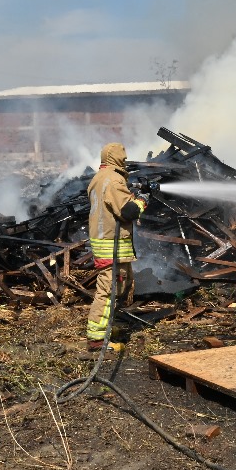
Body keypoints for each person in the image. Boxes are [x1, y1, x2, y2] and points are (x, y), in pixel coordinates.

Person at [85, 141, 146, 351]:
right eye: (124, 158)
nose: (125, 162)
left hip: (111, 244)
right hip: (111, 244)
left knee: (121, 287)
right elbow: (127, 212)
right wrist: (141, 202)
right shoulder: (112, 180)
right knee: (108, 291)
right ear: (117, 158)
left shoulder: (100, 178)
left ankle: (107, 328)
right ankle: (96, 340)